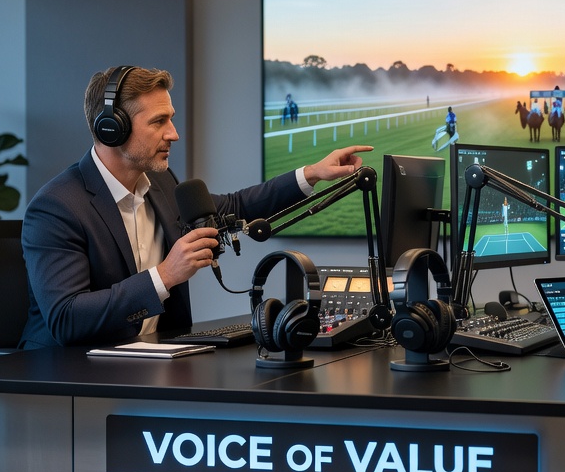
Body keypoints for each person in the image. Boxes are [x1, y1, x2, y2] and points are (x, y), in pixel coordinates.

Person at [19, 65, 371, 349]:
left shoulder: (160, 183)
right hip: (65, 380)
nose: (173, 133)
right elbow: (66, 319)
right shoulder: (56, 208)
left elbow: (234, 205)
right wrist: (165, 275)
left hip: (148, 365)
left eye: (170, 118)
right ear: (112, 129)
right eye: (158, 121)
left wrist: (311, 174)